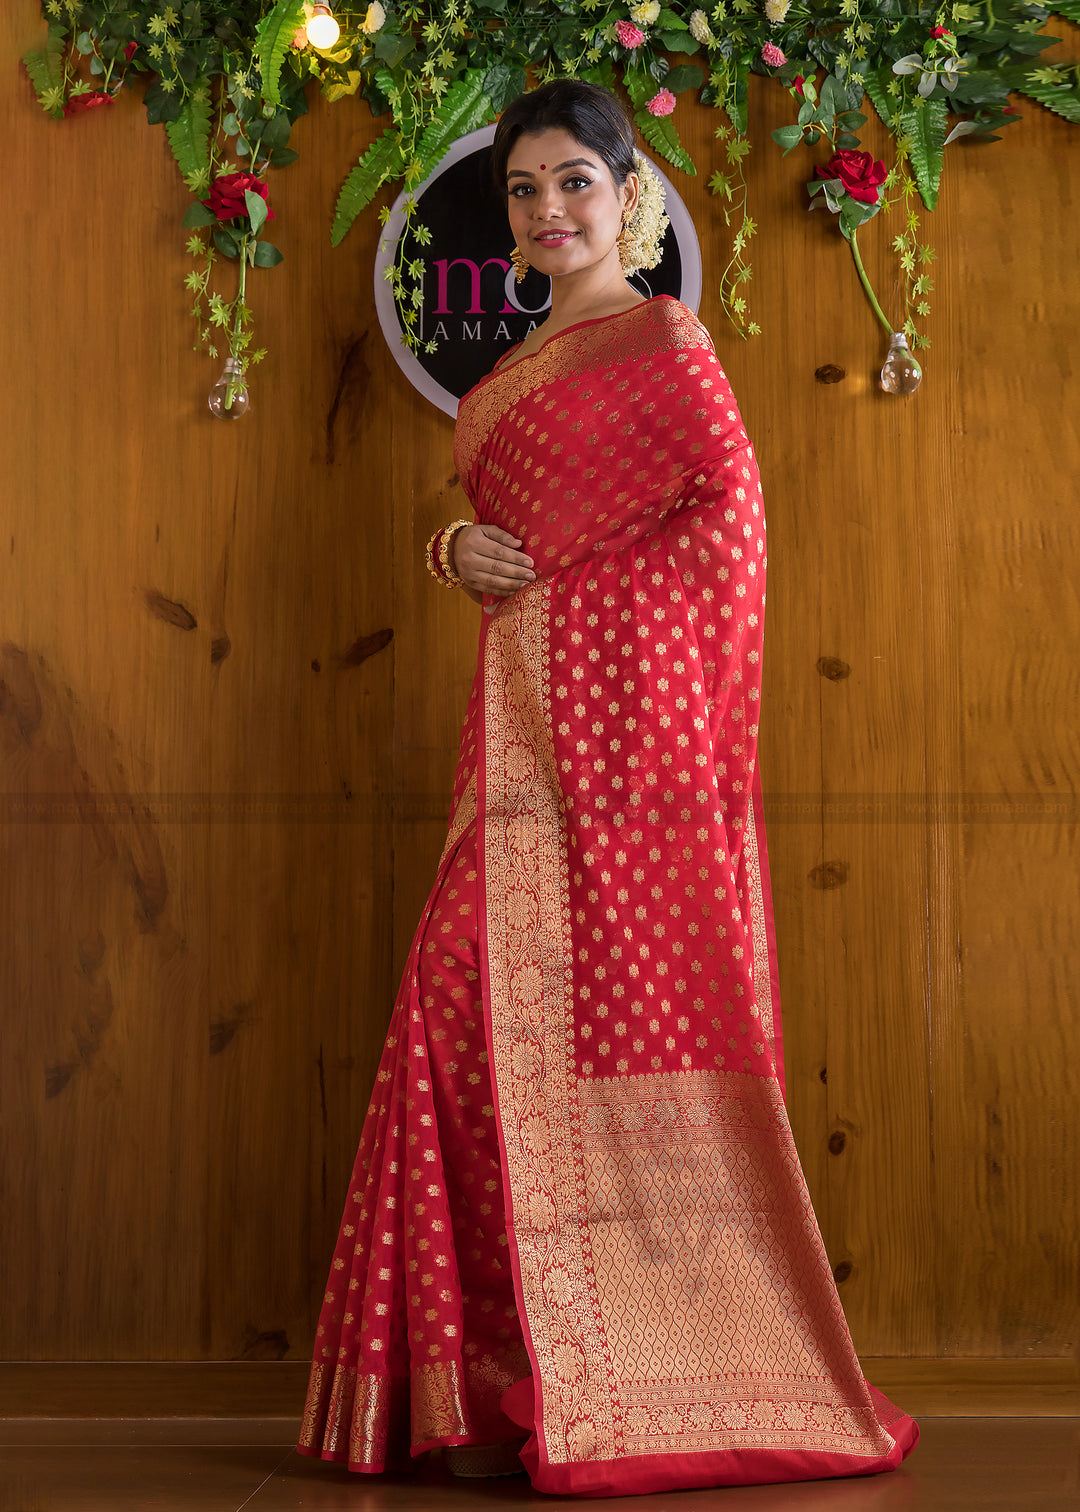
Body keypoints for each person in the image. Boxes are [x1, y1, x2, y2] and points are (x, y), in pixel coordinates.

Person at [297, 80, 919, 1497]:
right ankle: (469, 1388)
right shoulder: (505, 374)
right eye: (524, 190)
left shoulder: (668, 343)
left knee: (522, 1024)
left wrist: (563, 599)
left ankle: (621, 1370)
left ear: (626, 194)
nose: (548, 209)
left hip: (628, 775)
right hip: (516, 770)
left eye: (575, 180)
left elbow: (727, 540)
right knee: (452, 1018)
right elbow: (499, 530)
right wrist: (452, 552)